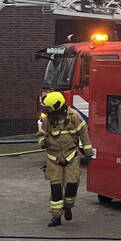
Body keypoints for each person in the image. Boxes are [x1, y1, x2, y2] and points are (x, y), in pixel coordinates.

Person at [38, 91, 93, 227]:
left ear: (57, 105)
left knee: (72, 184)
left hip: (71, 156)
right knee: (55, 188)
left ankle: (68, 206)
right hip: (53, 158)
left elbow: (83, 133)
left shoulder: (74, 117)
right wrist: (42, 142)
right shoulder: (47, 119)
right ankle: (56, 217)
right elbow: (41, 134)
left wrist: (88, 152)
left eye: (49, 107)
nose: (47, 110)